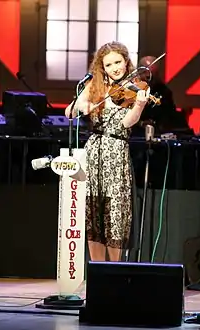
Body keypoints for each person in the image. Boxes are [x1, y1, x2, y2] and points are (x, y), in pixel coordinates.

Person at [65, 41, 150, 262]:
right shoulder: (94, 84)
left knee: (115, 214)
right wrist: (83, 105)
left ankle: (115, 272)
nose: (115, 68)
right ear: (102, 67)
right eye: (109, 64)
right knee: (94, 213)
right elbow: (70, 112)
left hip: (117, 151)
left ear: (126, 61)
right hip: (94, 151)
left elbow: (127, 123)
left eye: (118, 62)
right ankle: (96, 271)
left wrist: (139, 105)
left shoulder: (135, 87)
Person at [135, 55, 189, 134]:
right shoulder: (129, 90)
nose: (148, 78)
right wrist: (141, 123)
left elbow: (168, 116)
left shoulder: (164, 92)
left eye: (153, 74)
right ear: (138, 72)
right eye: (145, 74)